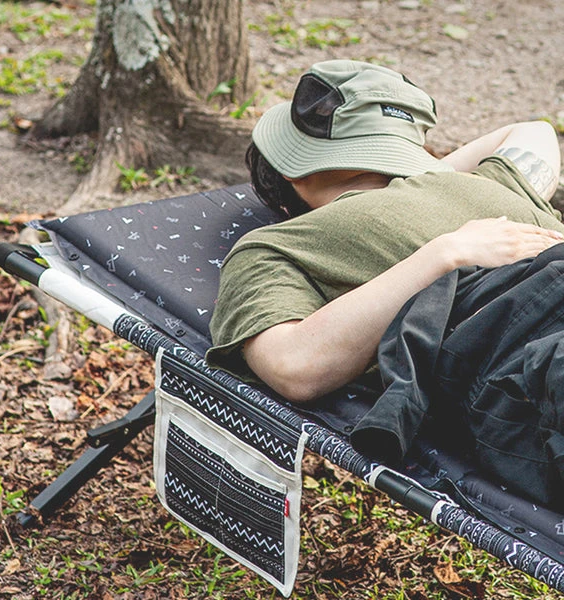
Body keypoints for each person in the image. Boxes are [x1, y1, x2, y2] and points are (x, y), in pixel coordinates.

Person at [205, 59, 563, 405]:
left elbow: (294, 366)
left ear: (291, 169)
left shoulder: (272, 249)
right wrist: (440, 245)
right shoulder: (492, 184)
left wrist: (440, 245)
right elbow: (534, 132)